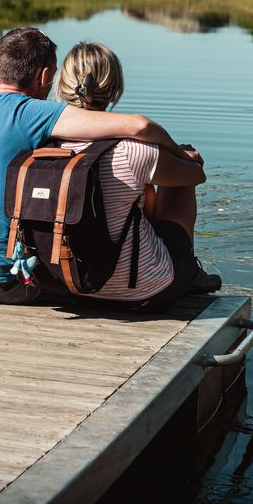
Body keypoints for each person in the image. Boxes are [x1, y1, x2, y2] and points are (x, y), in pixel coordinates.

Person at [0, 26, 207, 304]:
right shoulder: (34, 113)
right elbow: (140, 125)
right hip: (13, 282)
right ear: (45, 75)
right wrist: (181, 155)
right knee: (165, 183)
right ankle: (181, 269)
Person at [50, 41, 218, 310]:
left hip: (68, 285)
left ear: (62, 86)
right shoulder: (131, 150)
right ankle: (190, 270)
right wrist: (180, 156)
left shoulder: (44, 146)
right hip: (142, 290)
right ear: (115, 89)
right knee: (178, 179)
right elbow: (196, 176)